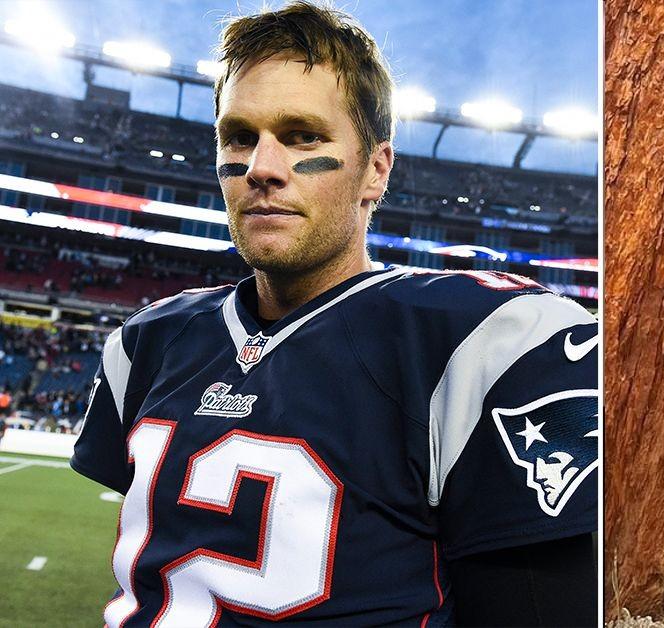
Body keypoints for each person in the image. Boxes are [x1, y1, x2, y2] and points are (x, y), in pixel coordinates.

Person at [69, 3, 597, 626]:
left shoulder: (481, 341)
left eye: (303, 137)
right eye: (239, 136)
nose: (261, 169)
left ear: (377, 169)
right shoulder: (148, 341)